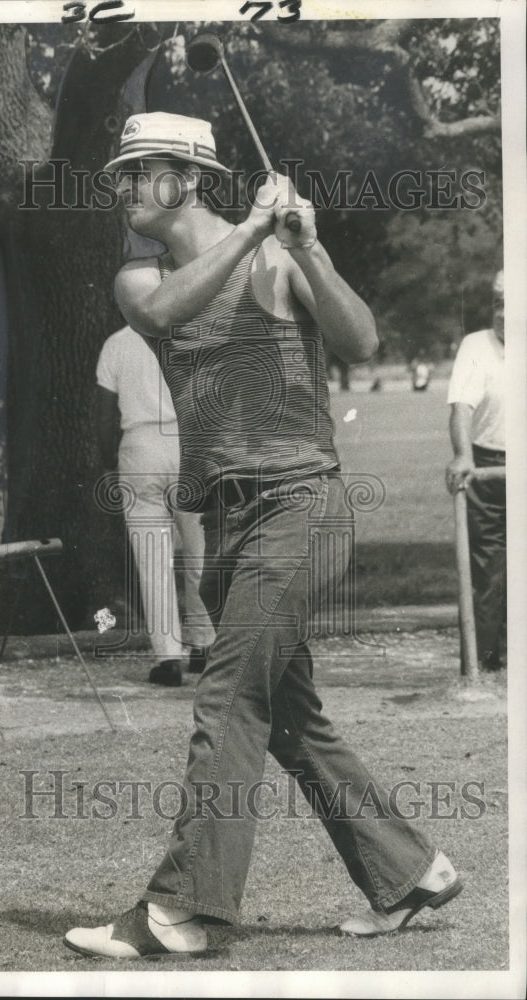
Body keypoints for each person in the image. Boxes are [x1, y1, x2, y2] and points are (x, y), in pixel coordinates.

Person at [64, 112, 462, 956]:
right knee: (287, 720)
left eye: (139, 171)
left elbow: (359, 338)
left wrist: (308, 245)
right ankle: (408, 870)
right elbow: (170, 313)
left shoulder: (280, 256)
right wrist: (250, 227)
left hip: (301, 505)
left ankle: (182, 909)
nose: (123, 187)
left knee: (227, 696)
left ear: (188, 177)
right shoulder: (139, 281)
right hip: (229, 517)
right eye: (120, 174)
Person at [96, 324, 215, 686]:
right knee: (200, 552)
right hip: (188, 440)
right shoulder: (191, 332)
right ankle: (205, 645)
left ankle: (168, 657)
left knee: (153, 559)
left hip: (140, 445)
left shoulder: (117, 343)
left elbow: (104, 413)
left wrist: (108, 459)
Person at [445, 270, 506, 671]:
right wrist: (463, 454)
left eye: (511, 304)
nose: (502, 313)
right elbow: (461, 407)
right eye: (498, 303)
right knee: (488, 572)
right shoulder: (476, 346)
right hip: (487, 466)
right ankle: (483, 669)